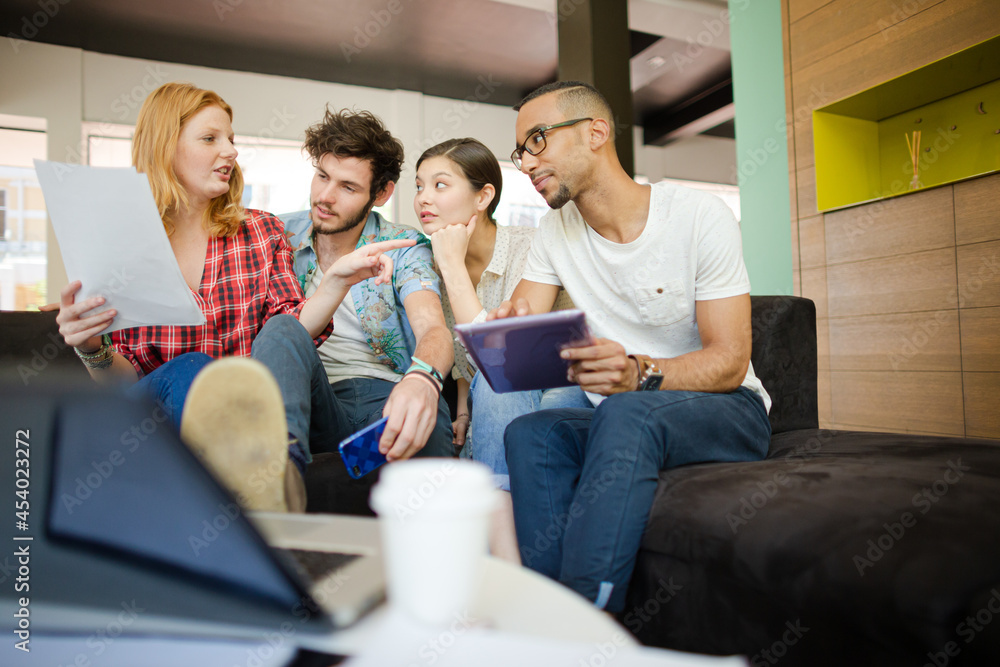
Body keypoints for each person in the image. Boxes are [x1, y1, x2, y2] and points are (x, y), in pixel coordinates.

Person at [56, 82, 411, 512]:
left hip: (243, 425)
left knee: (231, 373)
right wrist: (90, 348)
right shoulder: (124, 246)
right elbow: (125, 380)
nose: (231, 151)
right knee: (193, 370)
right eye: (210, 139)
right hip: (152, 421)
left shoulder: (260, 231)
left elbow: (290, 332)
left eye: (231, 139)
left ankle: (254, 496)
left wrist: (335, 280)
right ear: (164, 146)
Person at [491, 81, 773, 612]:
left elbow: (730, 362)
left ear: (596, 132)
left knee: (628, 413)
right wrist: (509, 331)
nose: (526, 163)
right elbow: (521, 322)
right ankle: (548, 614)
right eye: (520, 151)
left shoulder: (697, 215)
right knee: (533, 431)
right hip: (625, 411)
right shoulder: (555, 231)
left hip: (728, 409)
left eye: (537, 141)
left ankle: (586, 624)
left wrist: (638, 373)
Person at [413, 137, 586, 563]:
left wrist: (453, 267)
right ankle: (506, 560)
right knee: (490, 394)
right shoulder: (425, 265)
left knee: (508, 390)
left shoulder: (532, 247)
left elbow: (501, 357)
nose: (422, 199)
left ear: (484, 196)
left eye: (439, 185)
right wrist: (462, 407)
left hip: (564, 382)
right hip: (495, 397)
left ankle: (510, 564)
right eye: (418, 186)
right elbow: (464, 364)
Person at [281, 108, 455, 462]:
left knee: (428, 414)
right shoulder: (276, 234)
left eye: (347, 187)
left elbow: (433, 329)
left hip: (383, 393)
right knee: (281, 329)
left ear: (382, 194)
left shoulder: (404, 246)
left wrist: (422, 381)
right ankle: (281, 471)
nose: (325, 197)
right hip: (306, 394)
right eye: (322, 176)